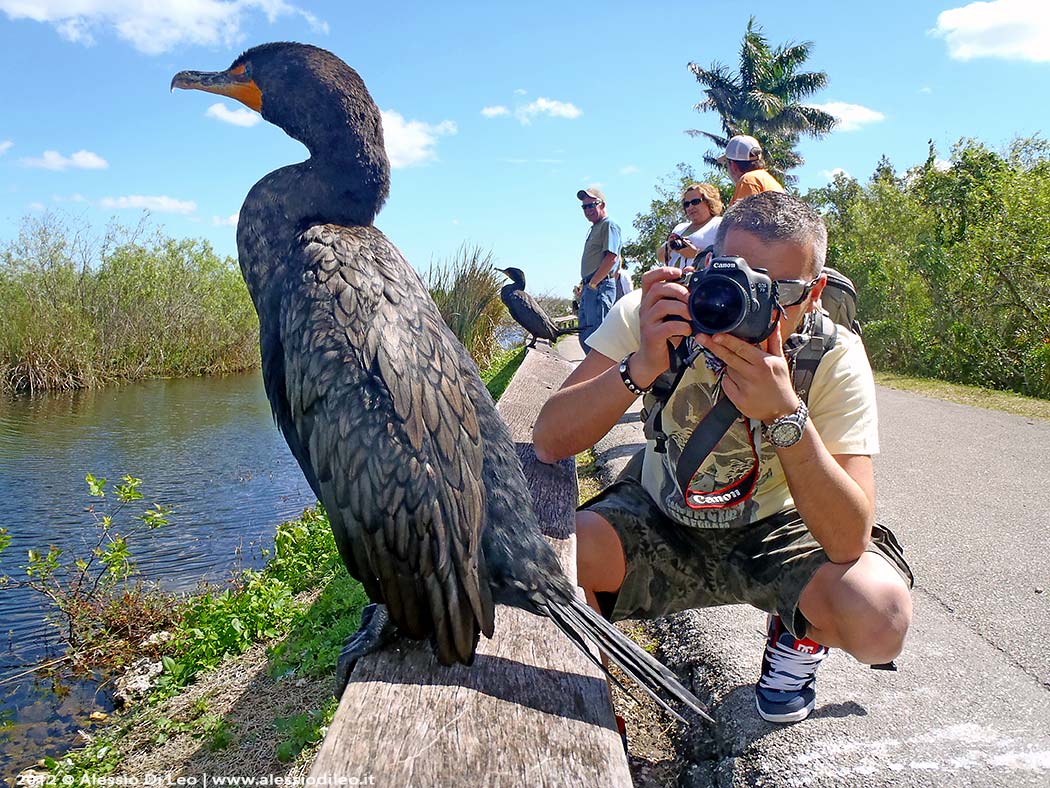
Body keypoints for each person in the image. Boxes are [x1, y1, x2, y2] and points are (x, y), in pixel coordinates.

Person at [533, 191, 913, 724]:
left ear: (816, 292)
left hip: (774, 530)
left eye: (779, 290)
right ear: (706, 265)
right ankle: (594, 706)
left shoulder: (833, 354)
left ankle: (795, 629)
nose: (752, 303)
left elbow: (851, 537)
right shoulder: (654, 316)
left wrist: (786, 416)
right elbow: (550, 439)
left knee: (881, 618)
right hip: (663, 517)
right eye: (737, 276)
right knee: (550, 567)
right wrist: (639, 366)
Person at [577, 187, 622, 353]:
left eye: (591, 205)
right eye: (584, 207)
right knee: (585, 334)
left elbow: (612, 258)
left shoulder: (609, 225)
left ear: (602, 204)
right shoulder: (595, 227)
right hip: (591, 286)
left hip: (599, 287)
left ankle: (602, 376)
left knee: (597, 337)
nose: (588, 210)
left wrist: (594, 284)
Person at [656, 183, 724, 268]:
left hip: (702, 279)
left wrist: (696, 254)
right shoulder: (679, 228)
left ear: (709, 202)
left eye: (695, 202)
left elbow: (726, 258)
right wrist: (669, 246)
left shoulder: (720, 224)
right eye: (686, 204)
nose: (690, 207)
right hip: (674, 279)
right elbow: (660, 257)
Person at [719, 134, 785, 206]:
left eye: (726, 164)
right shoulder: (764, 178)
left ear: (733, 166)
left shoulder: (748, 180)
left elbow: (745, 216)